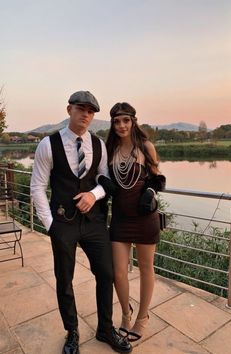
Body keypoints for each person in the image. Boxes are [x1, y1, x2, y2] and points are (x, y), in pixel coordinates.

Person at [30, 91, 132, 354]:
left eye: (91, 110)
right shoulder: (48, 144)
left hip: (94, 222)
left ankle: (105, 329)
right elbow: (38, 187)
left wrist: (93, 194)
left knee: (106, 273)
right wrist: (50, 224)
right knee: (65, 279)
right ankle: (72, 331)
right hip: (62, 223)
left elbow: (105, 180)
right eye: (81, 108)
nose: (86, 114)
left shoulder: (97, 145)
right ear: (69, 110)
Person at [105, 102, 166, 342]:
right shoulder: (109, 149)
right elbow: (101, 176)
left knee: (145, 268)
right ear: (112, 124)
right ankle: (125, 314)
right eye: (117, 121)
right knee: (118, 272)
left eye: (125, 120)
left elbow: (157, 178)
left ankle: (142, 318)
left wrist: (150, 193)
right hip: (120, 219)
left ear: (133, 121)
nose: (121, 125)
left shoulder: (146, 147)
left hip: (144, 219)